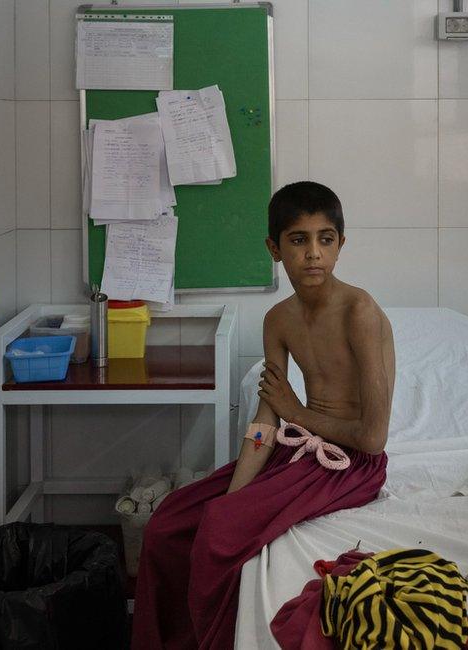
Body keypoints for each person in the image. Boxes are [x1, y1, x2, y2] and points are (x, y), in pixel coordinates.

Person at [132, 181, 395, 649]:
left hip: (351, 465)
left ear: (340, 245)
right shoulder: (278, 319)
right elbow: (266, 421)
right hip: (298, 452)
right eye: (299, 240)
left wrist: (299, 412)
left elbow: (373, 438)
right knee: (168, 523)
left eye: (325, 239)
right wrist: (234, 493)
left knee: (221, 532)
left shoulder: (360, 312)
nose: (314, 253)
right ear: (274, 248)